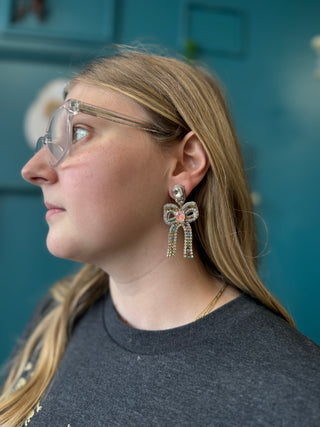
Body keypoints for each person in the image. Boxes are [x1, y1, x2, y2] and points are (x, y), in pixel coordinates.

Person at [0, 48, 319, 427]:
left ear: (186, 162)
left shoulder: (294, 396)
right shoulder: (59, 313)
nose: (32, 169)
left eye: (79, 131)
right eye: (48, 140)